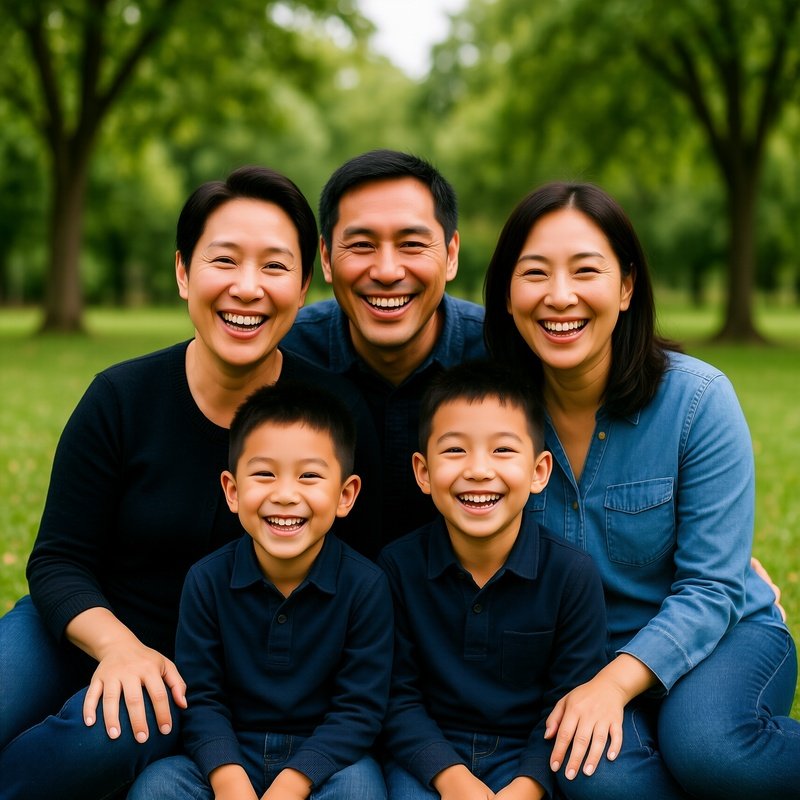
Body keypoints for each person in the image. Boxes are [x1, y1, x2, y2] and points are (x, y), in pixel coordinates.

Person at [0, 166, 377, 800]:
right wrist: (118, 647)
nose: (247, 288)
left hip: (196, 679)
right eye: (224, 260)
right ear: (183, 272)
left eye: (275, 266)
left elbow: (358, 568)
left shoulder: (331, 412)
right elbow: (60, 559)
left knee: (100, 738)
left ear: (304, 285)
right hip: (79, 625)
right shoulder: (122, 396)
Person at [483, 181, 800, 799]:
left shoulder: (697, 400)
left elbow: (711, 586)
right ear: (507, 292)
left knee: (709, 748)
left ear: (626, 287)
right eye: (535, 273)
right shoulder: (485, 413)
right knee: (598, 780)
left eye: (586, 271)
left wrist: (613, 686)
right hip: (582, 660)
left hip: (720, 634)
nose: (560, 296)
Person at [128, 381, 392, 800]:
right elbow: (202, 697)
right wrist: (229, 780)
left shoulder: (366, 585)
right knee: (158, 786)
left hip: (325, 760)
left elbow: (359, 709)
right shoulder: (207, 580)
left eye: (309, 476)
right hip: (230, 751)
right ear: (233, 491)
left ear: (346, 495)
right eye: (264, 474)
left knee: (360, 788)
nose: (285, 495)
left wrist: (293, 782)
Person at [378, 361, 608, 800]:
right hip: (427, 758)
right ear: (422, 472)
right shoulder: (396, 569)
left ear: (539, 471)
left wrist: (528, 784)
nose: (479, 470)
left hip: (528, 759)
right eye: (454, 451)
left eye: (503, 450)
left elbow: (568, 700)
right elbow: (395, 697)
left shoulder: (570, 575)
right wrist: (452, 779)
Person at [282, 149, 486, 555]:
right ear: (325, 258)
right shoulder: (282, 357)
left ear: (451, 254)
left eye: (411, 244)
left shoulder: (503, 354)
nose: (388, 271)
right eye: (361, 245)